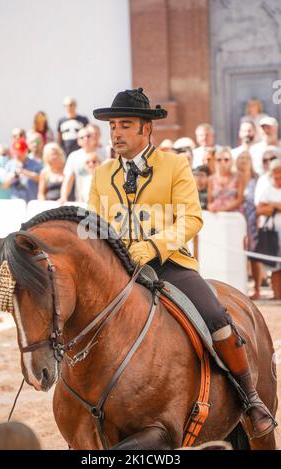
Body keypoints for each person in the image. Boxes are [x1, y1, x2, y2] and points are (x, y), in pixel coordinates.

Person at [89, 87, 276, 437]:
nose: (116, 133)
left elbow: (191, 219)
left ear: (147, 130)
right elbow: (95, 224)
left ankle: (250, 398)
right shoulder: (101, 175)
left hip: (169, 263)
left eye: (125, 125)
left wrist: (152, 246)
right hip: (118, 269)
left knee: (217, 317)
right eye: (112, 126)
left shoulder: (174, 166)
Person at [236, 152, 261, 300]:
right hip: (237, 221)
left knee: (254, 255)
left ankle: (257, 288)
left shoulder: (256, 180)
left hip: (252, 220)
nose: (244, 161)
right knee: (240, 254)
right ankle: (242, 286)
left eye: (247, 158)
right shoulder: (236, 179)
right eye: (241, 158)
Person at [257, 159, 281, 300]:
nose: (278, 180)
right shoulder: (268, 190)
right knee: (275, 266)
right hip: (274, 233)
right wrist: (273, 207)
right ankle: (277, 296)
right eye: (275, 177)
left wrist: (275, 205)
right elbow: (260, 210)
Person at [60, 126, 99, 203]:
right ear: (78, 141)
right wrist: (63, 197)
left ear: (93, 137)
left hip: (101, 202)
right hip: (81, 201)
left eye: (88, 136)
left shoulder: (103, 153)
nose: (86, 139)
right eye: (82, 137)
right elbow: (68, 179)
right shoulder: (74, 156)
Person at [4, 138, 42, 202]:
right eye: (16, 152)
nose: (18, 155)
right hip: (15, 202)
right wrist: (11, 177)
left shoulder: (36, 164)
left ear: (26, 150)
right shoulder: (9, 164)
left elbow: (41, 180)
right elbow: (4, 186)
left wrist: (25, 172)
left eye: (21, 152)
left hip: (31, 201)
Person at [207, 147, 244, 213]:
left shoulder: (238, 177)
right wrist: (211, 207)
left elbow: (240, 199)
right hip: (217, 216)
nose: (222, 162)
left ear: (231, 161)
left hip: (234, 215)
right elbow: (209, 202)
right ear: (215, 161)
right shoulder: (211, 179)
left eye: (226, 159)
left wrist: (223, 209)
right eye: (219, 160)